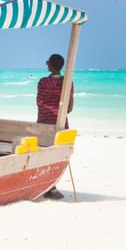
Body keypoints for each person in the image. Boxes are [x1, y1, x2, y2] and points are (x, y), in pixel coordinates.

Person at [36, 53, 74, 200]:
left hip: (43, 122)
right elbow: (69, 108)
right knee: (56, 155)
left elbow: (39, 103)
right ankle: (50, 186)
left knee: (43, 154)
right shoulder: (68, 82)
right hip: (60, 123)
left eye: (48, 63)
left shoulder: (42, 82)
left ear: (51, 66)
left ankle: (47, 185)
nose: (47, 65)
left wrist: (48, 110)